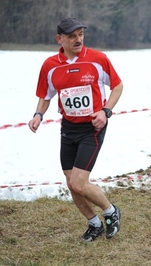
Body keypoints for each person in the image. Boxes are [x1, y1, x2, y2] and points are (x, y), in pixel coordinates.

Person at [28, 17, 123, 241]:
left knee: (79, 182)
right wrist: (38, 115)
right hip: (68, 128)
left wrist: (105, 111)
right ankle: (94, 223)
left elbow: (118, 86)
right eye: (72, 36)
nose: (78, 39)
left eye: (80, 34)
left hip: (93, 127)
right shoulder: (50, 66)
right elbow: (46, 95)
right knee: (71, 182)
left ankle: (111, 212)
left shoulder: (98, 59)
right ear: (59, 39)